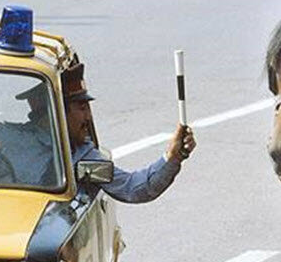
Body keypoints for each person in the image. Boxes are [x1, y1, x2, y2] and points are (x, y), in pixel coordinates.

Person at [63, 63, 195, 203]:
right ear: (61, 114)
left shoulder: (84, 159)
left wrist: (173, 157)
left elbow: (132, 188)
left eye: (87, 109)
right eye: (82, 109)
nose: (88, 117)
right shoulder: (38, 151)